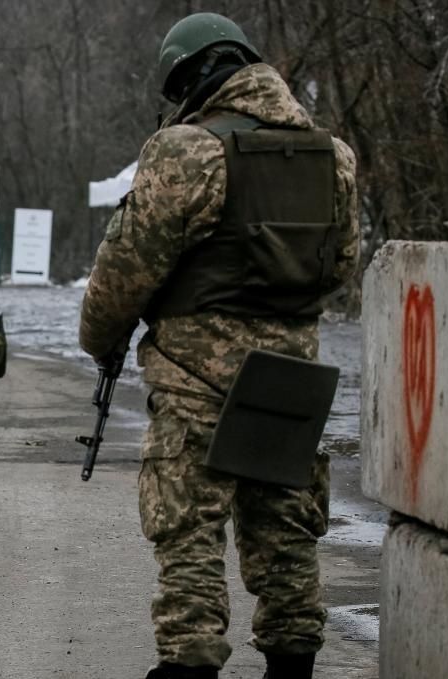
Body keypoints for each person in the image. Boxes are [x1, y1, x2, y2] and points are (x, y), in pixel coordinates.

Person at [78, 13, 360, 679]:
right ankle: (294, 665)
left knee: (189, 534)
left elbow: (123, 274)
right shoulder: (333, 154)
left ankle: (189, 666)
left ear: (198, 77)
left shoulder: (188, 151)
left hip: (194, 379)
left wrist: (102, 339)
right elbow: (343, 262)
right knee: (286, 535)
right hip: (291, 376)